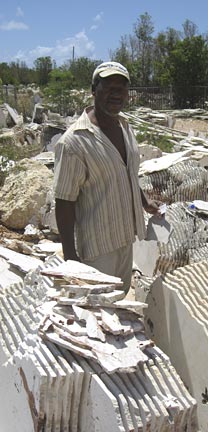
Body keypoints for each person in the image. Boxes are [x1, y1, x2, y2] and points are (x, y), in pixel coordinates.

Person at [53, 61, 162, 293]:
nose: (116, 94)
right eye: (108, 87)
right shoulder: (74, 142)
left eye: (121, 88)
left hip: (126, 238)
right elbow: (64, 201)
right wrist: (70, 257)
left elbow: (128, 172)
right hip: (98, 249)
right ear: (94, 89)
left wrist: (144, 202)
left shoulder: (125, 127)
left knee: (120, 304)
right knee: (98, 314)